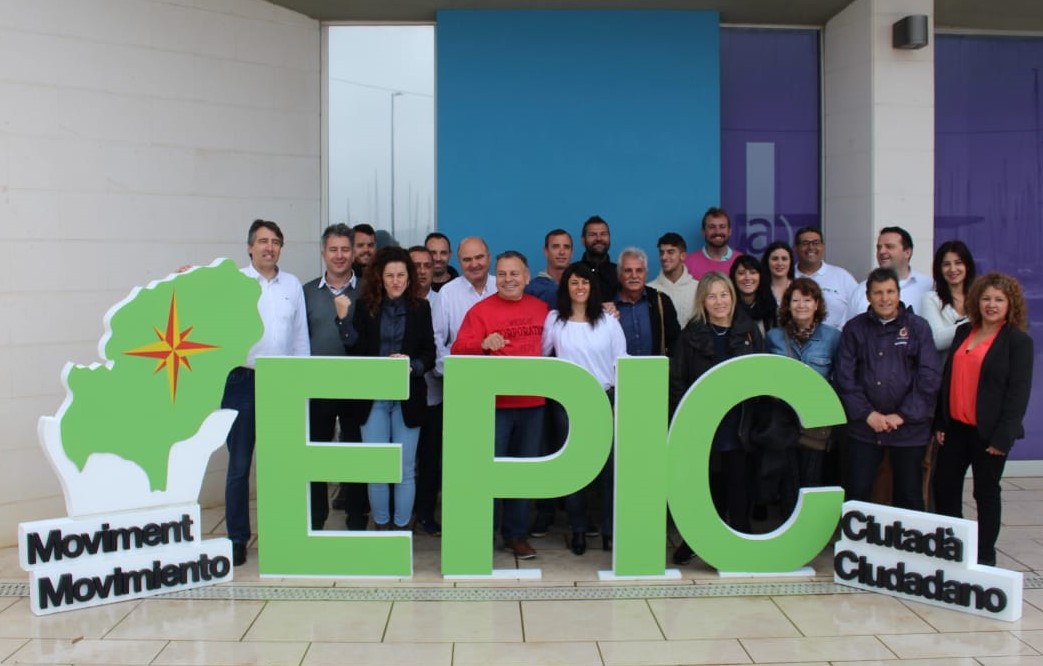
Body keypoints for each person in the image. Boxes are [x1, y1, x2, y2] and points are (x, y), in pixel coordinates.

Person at [222, 219, 310, 566]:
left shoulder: (292, 285)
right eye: (262, 241)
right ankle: (237, 538)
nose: (269, 247)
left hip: (282, 381)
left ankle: (282, 532)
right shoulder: (234, 282)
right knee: (239, 465)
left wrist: (302, 381)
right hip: (241, 380)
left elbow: (300, 337)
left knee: (283, 463)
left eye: (275, 242)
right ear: (250, 247)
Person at [451, 251, 549, 560]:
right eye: (503, 274)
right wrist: (481, 345)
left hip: (533, 404)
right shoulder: (480, 311)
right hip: (494, 406)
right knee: (489, 471)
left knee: (522, 473)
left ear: (527, 277)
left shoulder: (542, 309)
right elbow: (457, 349)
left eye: (514, 273)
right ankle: (485, 530)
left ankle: (516, 535)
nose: (508, 279)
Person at [933, 273, 1034, 566]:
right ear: (977, 301)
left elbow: (1018, 394)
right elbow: (947, 378)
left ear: (1010, 304)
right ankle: (954, 548)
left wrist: (1004, 437)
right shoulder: (964, 331)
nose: (992, 304)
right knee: (944, 487)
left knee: (985, 493)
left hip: (989, 434)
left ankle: (984, 556)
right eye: (986, 298)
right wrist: (940, 422)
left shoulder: (1018, 342)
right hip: (955, 429)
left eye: (999, 300)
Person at [336, 247, 435, 530]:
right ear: (380, 277)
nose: (396, 281)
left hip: (408, 396)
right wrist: (342, 320)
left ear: (409, 277)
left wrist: (412, 365)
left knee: (405, 468)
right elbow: (354, 349)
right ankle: (381, 525)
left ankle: (401, 528)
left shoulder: (421, 308)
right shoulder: (365, 307)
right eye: (390, 275)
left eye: (401, 275)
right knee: (377, 468)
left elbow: (429, 353)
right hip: (373, 398)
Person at [669, 272, 763, 565]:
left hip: (739, 422)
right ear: (702, 301)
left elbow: (762, 374)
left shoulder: (749, 331)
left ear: (732, 297)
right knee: (707, 484)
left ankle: (742, 538)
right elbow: (677, 380)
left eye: (724, 294)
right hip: (703, 424)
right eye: (712, 296)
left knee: (738, 483)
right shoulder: (691, 334)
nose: (719, 301)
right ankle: (697, 540)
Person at [835, 268, 941, 511]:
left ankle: (908, 537)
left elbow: (929, 377)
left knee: (909, 493)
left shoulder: (918, 327)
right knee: (858, 492)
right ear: (868, 296)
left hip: (909, 429)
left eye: (890, 292)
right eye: (878, 293)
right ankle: (859, 537)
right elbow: (844, 378)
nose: (885, 298)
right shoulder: (854, 328)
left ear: (898, 294)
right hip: (864, 428)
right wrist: (867, 414)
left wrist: (902, 415)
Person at [541, 263, 628, 554]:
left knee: (609, 468)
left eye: (585, 282)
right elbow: (541, 356)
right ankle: (578, 528)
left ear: (593, 287)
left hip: (605, 398)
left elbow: (621, 361)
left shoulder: (609, 321)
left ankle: (609, 530)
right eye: (574, 282)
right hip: (568, 403)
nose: (580, 288)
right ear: (566, 287)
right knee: (574, 469)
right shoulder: (555, 320)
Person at [303, 224, 369, 531]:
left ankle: (356, 519)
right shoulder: (306, 292)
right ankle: (316, 519)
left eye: (345, 249)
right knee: (315, 454)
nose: (339, 256)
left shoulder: (368, 290)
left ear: (353, 253)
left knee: (356, 455)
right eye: (333, 249)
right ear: (323, 253)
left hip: (357, 387)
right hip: (317, 388)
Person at [766, 278, 842, 492]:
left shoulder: (833, 338)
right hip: (783, 421)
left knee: (811, 481)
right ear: (788, 305)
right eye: (796, 300)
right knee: (786, 482)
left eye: (807, 300)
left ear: (817, 304)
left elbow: (839, 378)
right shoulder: (773, 337)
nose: (801, 305)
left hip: (816, 423)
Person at [845, 227, 933, 321]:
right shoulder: (861, 290)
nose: (882, 251)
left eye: (889, 246)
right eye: (879, 247)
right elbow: (848, 327)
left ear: (907, 252)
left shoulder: (928, 285)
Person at [614, 247, 680, 357]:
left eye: (639, 270)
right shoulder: (608, 305)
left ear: (646, 274)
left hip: (655, 367)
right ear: (619, 275)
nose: (634, 276)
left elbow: (676, 343)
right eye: (628, 271)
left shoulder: (661, 301)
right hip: (616, 368)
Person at [793, 226, 857, 330]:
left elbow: (858, 309)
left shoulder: (842, 276)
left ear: (823, 247)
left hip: (838, 338)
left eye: (816, 243)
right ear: (795, 248)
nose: (811, 247)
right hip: (793, 338)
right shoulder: (787, 276)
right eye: (805, 243)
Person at [922, 240, 976, 355]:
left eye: (958, 263)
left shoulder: (979, 297)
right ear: (939, 269)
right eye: (946, 264)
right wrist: (975, 322)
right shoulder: (931, 299)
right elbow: (937, 340)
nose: (953, 269)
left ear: (967, 266)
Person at [648, 232, 699, 328]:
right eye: (661, 253)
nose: (664, 257)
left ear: (683, 256)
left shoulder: (698, 288)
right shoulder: (649, 290)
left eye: (670, 252)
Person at [685, 207, 743, 279]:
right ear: (703, 232)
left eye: (722, 227)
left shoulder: (741, 261)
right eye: (712, 227)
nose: (717, 232)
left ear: (729, 231)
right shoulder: (688, 264)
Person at [526, 229, 574, 308]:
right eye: (555, 247)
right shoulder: (532, 289)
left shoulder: (582, 287)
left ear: (572, 253)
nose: (562, 252)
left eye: (566, 247)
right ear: (546, 251)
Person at [730, 255, 777, 334]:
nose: (747, 278)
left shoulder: (771, 308)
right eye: (741, 273)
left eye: (753, 272)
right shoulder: (727, 309)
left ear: (760, 277)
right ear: (733, 277)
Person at [578, 216, 619, 302]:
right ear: (583, 240)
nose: (599, 238)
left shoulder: (620, 273)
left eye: (603, 234)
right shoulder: (573, 272)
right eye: (592, 235)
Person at [763, 240, 794, 306]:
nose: (780, 263)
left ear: (790, 262)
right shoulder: (759, 289)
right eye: (775, 259)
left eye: (784, 259)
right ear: (767, 261)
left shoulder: (799, 287)